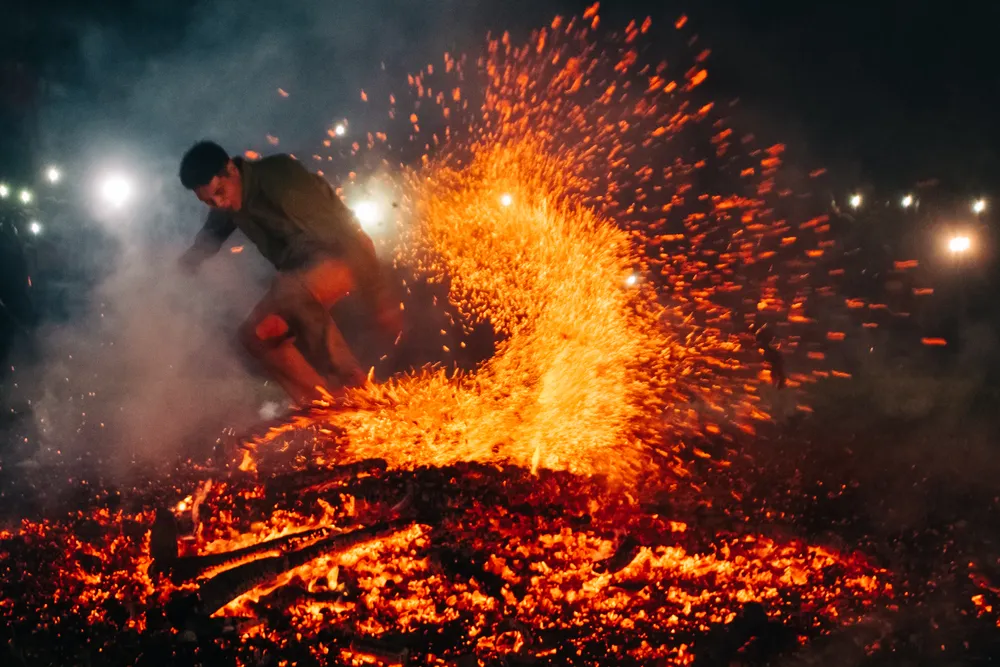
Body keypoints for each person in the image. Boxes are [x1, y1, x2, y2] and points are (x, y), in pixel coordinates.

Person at [178, 141, 399, 406]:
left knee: (289, 289)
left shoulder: (279, 180)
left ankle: (354, 386)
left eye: (220, 193)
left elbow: (343, 232)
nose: (220, 203)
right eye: (210, 201)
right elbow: (213, 233)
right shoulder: (229, 200)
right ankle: (323, 404)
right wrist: (187, 262)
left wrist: (378, 295)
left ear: (231, 169)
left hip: (345, 254)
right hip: (299, 277)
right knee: (254, 336)